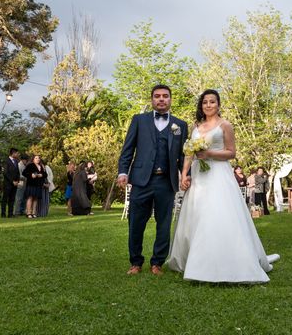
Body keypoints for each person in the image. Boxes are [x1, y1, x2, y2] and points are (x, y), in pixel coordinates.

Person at [168, 89, 279, 282]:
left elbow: (231, 153)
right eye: (205, 102)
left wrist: (209, 153)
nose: (208, 105)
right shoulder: (196, 126)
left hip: (218, 174)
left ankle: (225, 261)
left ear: (218, 104)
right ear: (201, 105)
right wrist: (184, 174)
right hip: (198, 175)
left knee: (216, 213)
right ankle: (192, 259)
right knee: (197, 214)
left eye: (212, 102)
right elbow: (189, 153)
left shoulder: (225, 125)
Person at [116, 84, 188, 276]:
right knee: (136, 223)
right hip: (141, 180)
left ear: (171, 99)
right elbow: (128, 149)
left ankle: (157, 263)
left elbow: (183, 156)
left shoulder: (180, 125)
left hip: (166, 182)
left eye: (165, 96)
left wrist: (186, 175)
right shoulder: (139, 120)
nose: (161, 99)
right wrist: (123, 172)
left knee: (164, 224)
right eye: (157, 96)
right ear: (152, 100)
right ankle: (136, 262)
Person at [1, 148, 20, 218]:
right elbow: (6, 173)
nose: (18, 154)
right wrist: (12, 181)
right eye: (17, 153)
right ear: (13, 153)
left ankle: (10, 213)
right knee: (5, 198)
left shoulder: (16, 161)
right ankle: (3, 213)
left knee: (12, 199)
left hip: (15, 183)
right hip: (8, 183)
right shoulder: (6, 161)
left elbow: (18, 172)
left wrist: (17, 181)